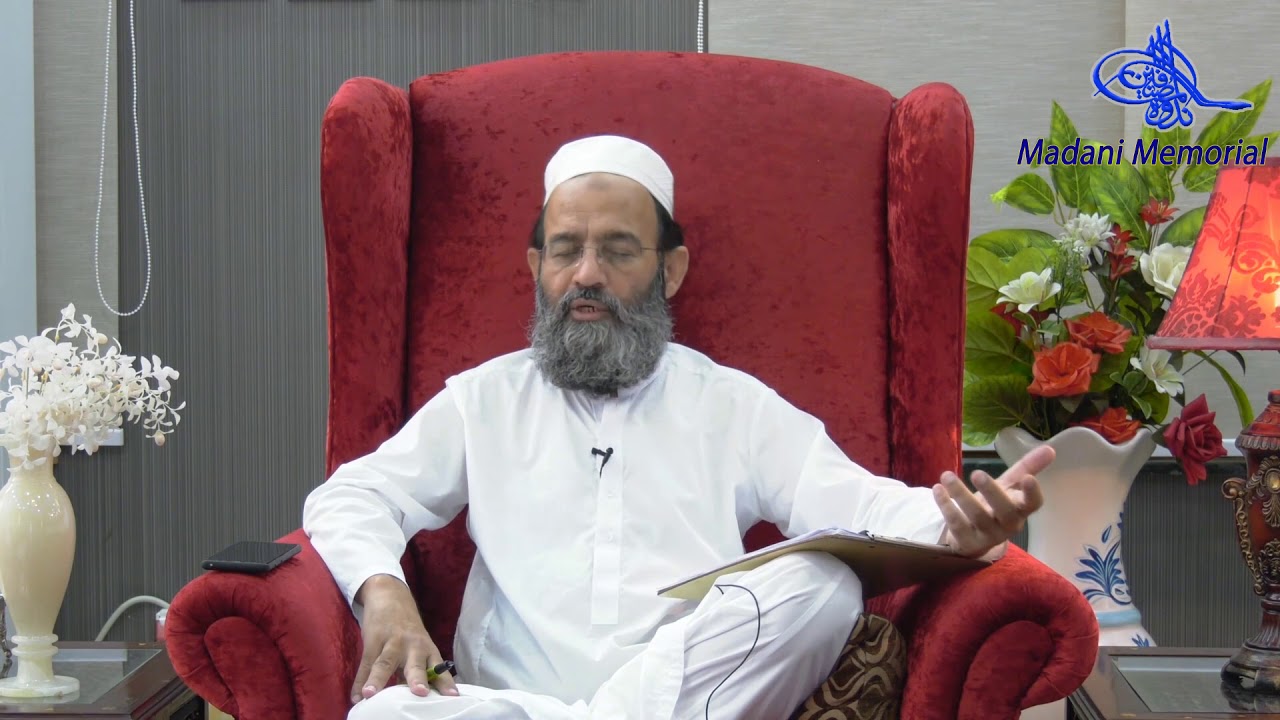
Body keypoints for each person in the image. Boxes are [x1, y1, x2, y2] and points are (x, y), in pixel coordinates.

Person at [302, 135, 1053, 720]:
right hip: (508, 705)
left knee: (824, 583)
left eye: (617, 250)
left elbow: (858, 508)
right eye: (565, 250)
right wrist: (384, 591)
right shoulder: (484, 400)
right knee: (386, 714)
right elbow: (350, 497)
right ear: (537, 267)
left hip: (685, 689)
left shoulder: (730, 404)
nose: (586, 274)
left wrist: (960, 526)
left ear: (671, 270)